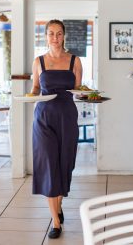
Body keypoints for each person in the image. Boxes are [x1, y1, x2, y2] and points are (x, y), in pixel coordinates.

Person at [31, 19, 82, 239]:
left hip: (67, 117)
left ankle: (58, 205)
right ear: (45, 36)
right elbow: (35, 87)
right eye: (51, 34)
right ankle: (56, 222)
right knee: (49, 166)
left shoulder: (75, 61)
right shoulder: (39, 61)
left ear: (64, 36)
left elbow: (79, 89)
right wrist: (31, 95)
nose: (55, 38)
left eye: (59, 34)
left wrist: (88, 95)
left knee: (64, 164)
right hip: (44, 117)